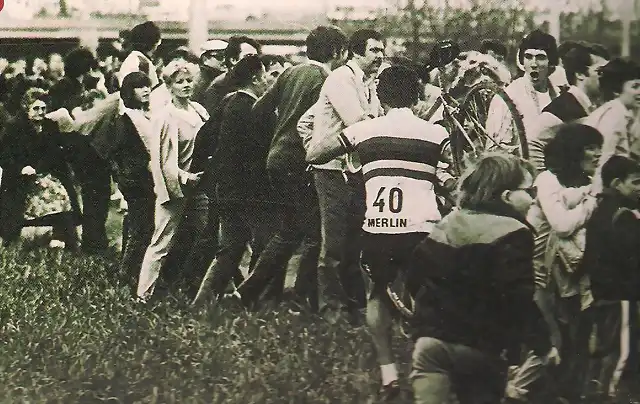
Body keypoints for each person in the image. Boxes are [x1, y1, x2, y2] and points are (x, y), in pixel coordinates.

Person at [306, 65, 449, 401]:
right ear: (416, 97)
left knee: (378, 296)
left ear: (381, 98)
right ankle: (424, 368)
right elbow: (454, 169)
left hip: (379, 229)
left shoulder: (365, 130)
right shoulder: (434, 133)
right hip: (423, 231)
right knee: (430, 300)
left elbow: (315, 153)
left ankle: (388, 375)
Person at [407, 153, 548, 404]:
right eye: (530, 191)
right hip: (479, 344)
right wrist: (542, 343)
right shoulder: (514, 232)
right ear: (507, 197)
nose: (534, 200)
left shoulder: (449, 222)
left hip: (430, 342)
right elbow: (518, 295)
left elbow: (415, 277)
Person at [237, 26, 349, 310]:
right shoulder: (327, 79)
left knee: (289, 229)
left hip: (276, 158)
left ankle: (246, 293)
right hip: (300, 161)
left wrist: (279, 134)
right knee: (313, 233)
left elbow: (258, 110)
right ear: (336, 52)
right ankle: (299, 298)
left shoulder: (290, 72)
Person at [305, 28, 385, 323]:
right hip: (331, 170)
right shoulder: (340, 79)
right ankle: (332, 309)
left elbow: (307, 120)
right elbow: (359, 122)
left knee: (354, 240)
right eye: (375, 50)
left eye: (382, 51)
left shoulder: (366, 82)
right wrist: (315, 150)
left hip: (351, 169)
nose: (380, 56)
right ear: (356, 52)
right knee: (335, 243)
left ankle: (354, 306)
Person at [191, 55, 277, 305]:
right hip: (249, 191)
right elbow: (262, 153)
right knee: (267, 242)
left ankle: (202, 302)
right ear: (256, 78)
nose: (267, 84)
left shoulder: (228, 102)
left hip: (225, 188)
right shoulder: (257, 109)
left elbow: (204, 137)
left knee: (229, 248)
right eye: (265, 78)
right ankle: (252, 298)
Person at [527, 123, 603, 402]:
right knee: (552, 338)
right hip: (538, 271)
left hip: (567, 271)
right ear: (574, 150)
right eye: (590, 147)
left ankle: (562, 392)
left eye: (599, 147)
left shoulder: (586, 179)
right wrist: (591, 202)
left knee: (574, 335)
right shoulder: (547, 180)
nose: (597, 154)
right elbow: (561, 225)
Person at [136, 60, 209, 301]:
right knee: (161, 242)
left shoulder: (199, 110)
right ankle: (143, 295)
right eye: (180, 82)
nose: (186, 85)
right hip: (176, 186)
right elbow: (161, 159)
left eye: (189, 81)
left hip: (200, 185)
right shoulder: (164, 117)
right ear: (169, 86)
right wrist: (185, 177)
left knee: (209, 236)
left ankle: (205, 289)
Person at [579, 155, 640, 401]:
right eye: (635, 182)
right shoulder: (623, 215)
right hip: (623, 296)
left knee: (608, 349)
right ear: (617, 183)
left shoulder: (600, 211)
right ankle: (610, 397)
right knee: (623, 353)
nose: (639, 188)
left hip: (604, 294)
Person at [48, 47, 112, 254]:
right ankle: (94, 242)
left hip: (78, 149)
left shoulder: (68, 85)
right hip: (80, 148)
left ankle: (94, 240)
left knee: (93, 194)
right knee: (95, 194)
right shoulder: (68, 88)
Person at [0, 87, 80, 249]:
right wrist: (21, 168)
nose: (40, 112)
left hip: (46, 173)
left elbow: (56, 154)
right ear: (26, 108)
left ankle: (58, 237)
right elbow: (5, 156)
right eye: (35, 108)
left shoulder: (50, 126)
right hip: (20, 177)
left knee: (61, 192)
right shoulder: (14, 128)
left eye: (43, 108)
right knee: (47, 193)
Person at [101, 72, 155, 290]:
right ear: (128, 91)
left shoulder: (143, 115)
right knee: (141, 229)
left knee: (142, 228)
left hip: (143, 180)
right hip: (137, 182)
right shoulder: (127, 119)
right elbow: (123, 154)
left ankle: (131, 273)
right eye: (139, 87)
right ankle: (126, 276)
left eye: (147, 86)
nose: (145, 90)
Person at [529, 43, 609, 173]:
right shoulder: (565, 107)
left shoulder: (587, 104)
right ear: (580, 74)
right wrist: (544, 178)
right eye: (600, 72)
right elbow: (532, 142)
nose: (607, 78)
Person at [487, 30, 561, 148]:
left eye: (540, 57)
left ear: (550, 63)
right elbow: (497, 152)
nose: (534, 63)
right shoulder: (507, 97)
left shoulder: (559, 95)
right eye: (528, 57)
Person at [585, 58, 640, 183]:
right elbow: (602, 160)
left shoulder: (624, 113)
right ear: (616, 90)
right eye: (635, 86)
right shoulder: (613, 116)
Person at [192, 39, 228, 104]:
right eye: (220, 56)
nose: (225, 60)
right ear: (205, 59)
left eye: (227, 56)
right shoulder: (200, 81)